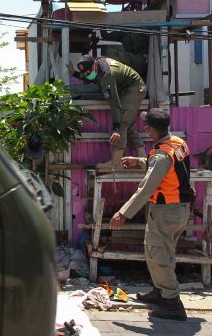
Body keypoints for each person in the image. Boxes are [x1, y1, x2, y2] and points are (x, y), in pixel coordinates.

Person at [109, 108, 192, 321]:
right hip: (179, 210)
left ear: (148, 129)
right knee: (164, 253)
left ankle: (172, 303)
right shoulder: (177, 143)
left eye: (145, 124)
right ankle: (160, 293)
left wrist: (123, 213)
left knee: (158, 256)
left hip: (165, 212)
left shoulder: (162, 154)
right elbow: (170, 168)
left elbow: (145, 188)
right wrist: (140, 161)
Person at [75, 54, 147, 167]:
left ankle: (116, 163)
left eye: (88, 72)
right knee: (128, 124)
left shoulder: (107, 75)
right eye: (85, 73)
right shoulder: (98, 65)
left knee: (122, 123)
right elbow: (89, 76)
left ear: (95, 64)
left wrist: (116, 129)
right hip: (126, 88)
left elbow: (114, 103)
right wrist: (74, 74)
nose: (87, 75)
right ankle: (144, 159)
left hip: (134, 88)